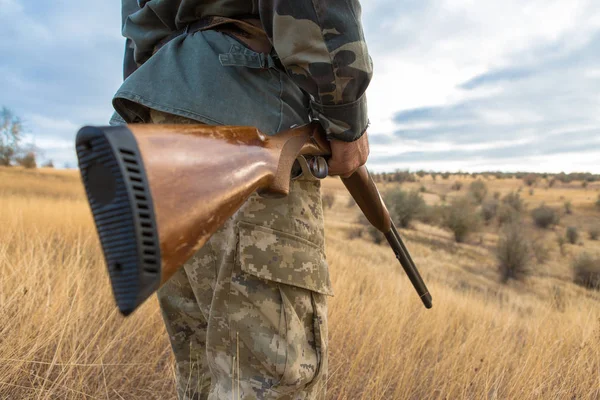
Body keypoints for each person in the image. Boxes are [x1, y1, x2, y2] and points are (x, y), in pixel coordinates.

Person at [110, 1, 372, 398]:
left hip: (159, 124)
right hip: (251, 114)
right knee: (274, 378)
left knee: (202, 373)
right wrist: (345, 115)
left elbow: (138, 25)